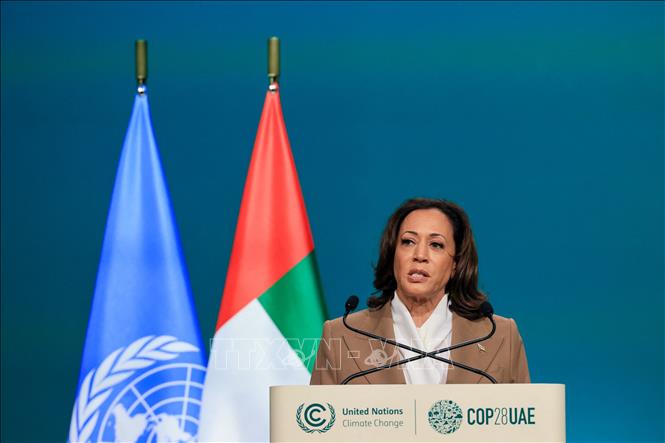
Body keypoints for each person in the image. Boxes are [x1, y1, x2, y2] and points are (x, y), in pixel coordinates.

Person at [310, 198, 530, 385]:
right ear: (393, 254)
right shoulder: (342, 334)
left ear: (456, 264)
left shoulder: (500, 336)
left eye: (436, 245)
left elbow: (527, 419)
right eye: (408, 242)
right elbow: (318, 420)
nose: (420, 255)